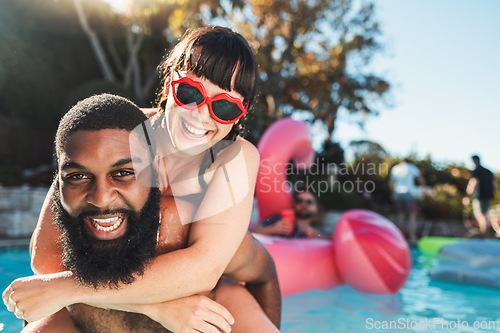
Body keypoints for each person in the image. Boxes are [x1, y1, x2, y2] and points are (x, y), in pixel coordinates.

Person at [4, 26, 281, 331]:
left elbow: (203, 270)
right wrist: (160, 308)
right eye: (190, 92)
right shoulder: (117, 131)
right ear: (169, 81)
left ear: (240, 115)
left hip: (242, 274)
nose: (200, 114)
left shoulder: (235, 157)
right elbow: (46, 257)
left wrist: (70, 288)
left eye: (225, 106)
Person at [251, 189, 330, 239]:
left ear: (316, 209)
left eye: (309, 202)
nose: (304, 204)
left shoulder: (318, 232)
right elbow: (251, 232)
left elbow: (334, 240)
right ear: (294, 205)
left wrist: (318, 236)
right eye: (300, 201)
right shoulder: (278, 219)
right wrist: (273, 229)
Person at [389, 158, 425, 245]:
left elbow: (391, 183)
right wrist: (423, 190)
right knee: (413, 215)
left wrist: (392, 193)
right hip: (409, 192)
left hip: (398, 193)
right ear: (410, 162)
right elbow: (421, 179)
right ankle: (412, 237)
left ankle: (400, 237)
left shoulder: (396, 168)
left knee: (401, 215)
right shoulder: (412, 167)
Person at [464, 155, 496, 236]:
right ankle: (486, 234)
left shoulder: (477, 171)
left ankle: (484, 235)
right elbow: (493, 184)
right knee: (485, 214)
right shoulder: (488, 171)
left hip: (480, 196)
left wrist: (467, 196)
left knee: (481, 215)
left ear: (475, 160)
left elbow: (473, 182)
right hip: (488, 196)